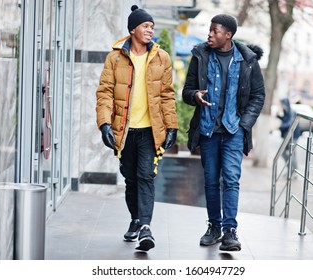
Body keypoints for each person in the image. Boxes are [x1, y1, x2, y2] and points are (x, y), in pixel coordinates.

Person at [95, 5, 178, 251]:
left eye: (152, 27)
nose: (150, 31)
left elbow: (167, 96)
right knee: (130, 179)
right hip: (124, 131)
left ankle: (145, 227)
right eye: (146, 26)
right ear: (133, 29)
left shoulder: (162, 58)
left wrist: (172, 126)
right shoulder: (115, 57)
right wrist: (104, 124)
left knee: (145, 176)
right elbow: (105, 93)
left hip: (151, 131)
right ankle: (135, 219)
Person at [182, 14, 265, 251]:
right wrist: (195, 96)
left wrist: (244, 124)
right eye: (209, 30)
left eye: (214, 31)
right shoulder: (200, 56)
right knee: (210, 181)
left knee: (230, 180)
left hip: (233, 131)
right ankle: (214, 227)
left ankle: (230, 232)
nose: (209, 34)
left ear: (228, 35)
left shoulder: (247, 60)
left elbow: (258, 96)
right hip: (207, 130)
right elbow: (187, 90)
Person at [277, 98, 301, 173]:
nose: (281, 106)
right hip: (287, 136)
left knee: (291, 153)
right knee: (284, 152)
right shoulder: (286, 112)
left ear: (285, 104)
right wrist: (278, 116)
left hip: (293, 136)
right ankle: (290, 169)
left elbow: (290, 124)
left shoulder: (292, 112)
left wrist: (279, 127)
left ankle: (293, 171)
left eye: (282, 104)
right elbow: (285, 120)